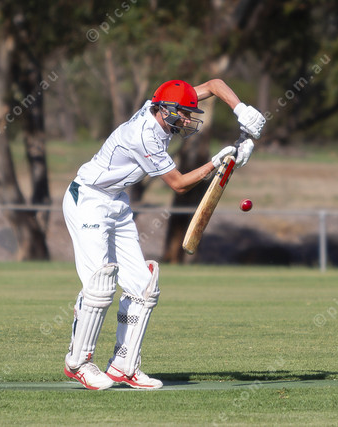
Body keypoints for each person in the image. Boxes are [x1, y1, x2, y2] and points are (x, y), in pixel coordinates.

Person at [62, 79, 266, 390]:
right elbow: (179, 184)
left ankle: (123, 366)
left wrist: (241, 112)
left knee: (143, 287)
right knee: (99, 285)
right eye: (184, 114)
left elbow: (213, 85)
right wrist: (218, 162)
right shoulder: (144, 137)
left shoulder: (159, 106)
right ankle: (78, 362)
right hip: (88, 199)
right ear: (166, 110)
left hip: (116, 201)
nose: (188, 119)